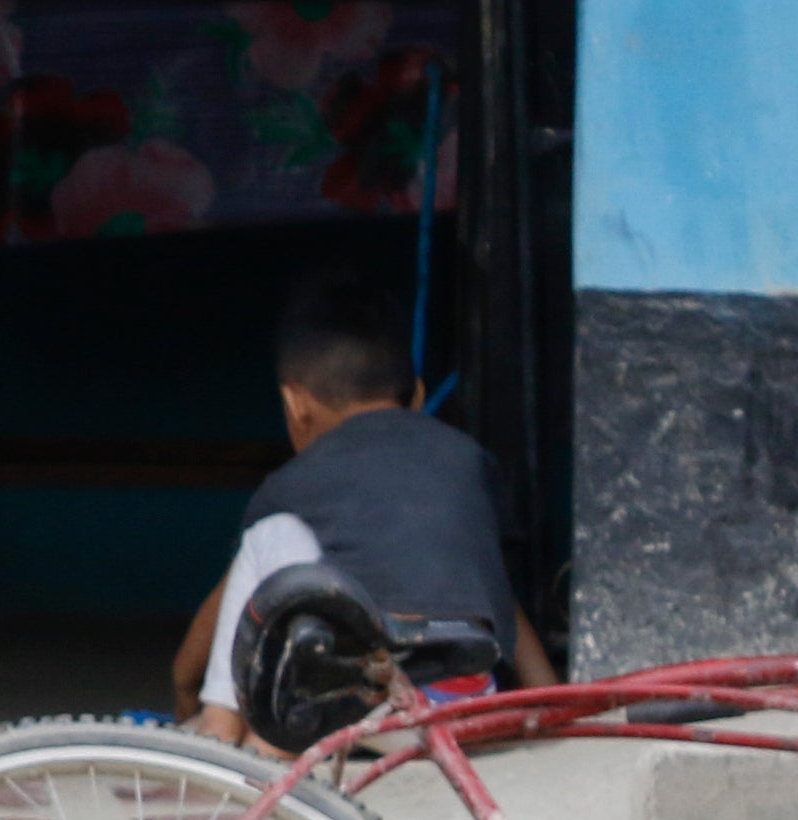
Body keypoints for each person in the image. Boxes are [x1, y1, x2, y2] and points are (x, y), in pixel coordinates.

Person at [174, 263, 555, 747]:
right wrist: (549, 698)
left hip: (364, 703)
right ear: (417, 395)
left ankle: (220, 725)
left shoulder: (292, 485)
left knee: (273, 538)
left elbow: (236, 605)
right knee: (469, 555)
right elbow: (496, 589)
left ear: (295, 405)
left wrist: (184, 684)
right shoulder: (468, 458)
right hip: (466, 707)